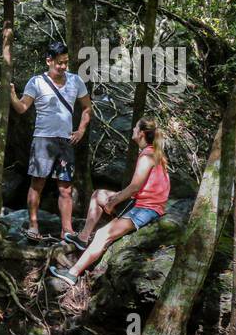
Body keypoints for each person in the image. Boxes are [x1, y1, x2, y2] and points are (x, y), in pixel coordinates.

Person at [49, 117, 170, 287]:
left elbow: (135, 187)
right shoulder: (151, 152)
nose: (133, 130)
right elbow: (142, 187)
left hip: (146, 208)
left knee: (102, 235)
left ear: (141, 133)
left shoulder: (147, 156)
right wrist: (115, 197)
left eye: (135, 127)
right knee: (99, 194)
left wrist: (113, 202)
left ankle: (72, 274)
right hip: (142, 203)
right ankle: (83, 238)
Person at [9, 41, 92, 241]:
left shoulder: (75, 81)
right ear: (49, 61)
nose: (63, 67)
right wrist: (11, 94)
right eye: (59, 63)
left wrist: (80, 130)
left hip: (65, 141)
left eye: (66, 62)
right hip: (42, 140)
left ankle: (67, 229)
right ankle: (33, 225)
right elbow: (21, 108)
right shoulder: (36, 82)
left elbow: (87, 108)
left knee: (65, 188)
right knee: (37, 183)